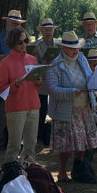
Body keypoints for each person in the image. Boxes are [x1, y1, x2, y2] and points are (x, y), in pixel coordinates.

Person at [46, 31, 97, 182]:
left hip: (83, 106)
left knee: (81, 143)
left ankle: (79, 170)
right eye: (71, 48)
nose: (75, 50)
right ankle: (62, 172)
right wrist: (71, 92)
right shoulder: (55, 64)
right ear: (63, 48)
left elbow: (89, 76)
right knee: (65, 145)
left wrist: (95, 86)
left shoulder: (82, 58)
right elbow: (52, 88)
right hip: (67, 109)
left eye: (77, 47)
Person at [0, 27, 42, 163]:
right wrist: (16, 84)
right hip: (15, 108)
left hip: (33, 106)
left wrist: (39, 81)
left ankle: (29, 175)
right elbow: (2, 90)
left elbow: (37, 85)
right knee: (14, 145)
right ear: (12, 43)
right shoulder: (5, 63)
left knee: (30, 145)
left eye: (26, 41)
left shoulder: (32, 59)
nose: (24, 44)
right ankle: (10, 175)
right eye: (20, 42)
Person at [0, 9, 24, 149]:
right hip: (3, 76)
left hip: (19, 77)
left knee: (18, 108)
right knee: (2, 109)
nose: (15, 26)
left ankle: (16, 139)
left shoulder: (22, 40)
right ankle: (1, 140)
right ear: (7, 23)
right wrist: (11, 57)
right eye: (13, 23)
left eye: (18, 24)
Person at [34, 17, 59, 146]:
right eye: (46, 29)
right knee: (42, 109)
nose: (49, 32)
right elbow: (34, 65)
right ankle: (38, 136)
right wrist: (45, 63)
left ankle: (55, 135)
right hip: (42, 82)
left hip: (57, 81)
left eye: (50, 29)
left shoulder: (59, 44)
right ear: (42, 30)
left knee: (57, 108)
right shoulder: (37, 46)